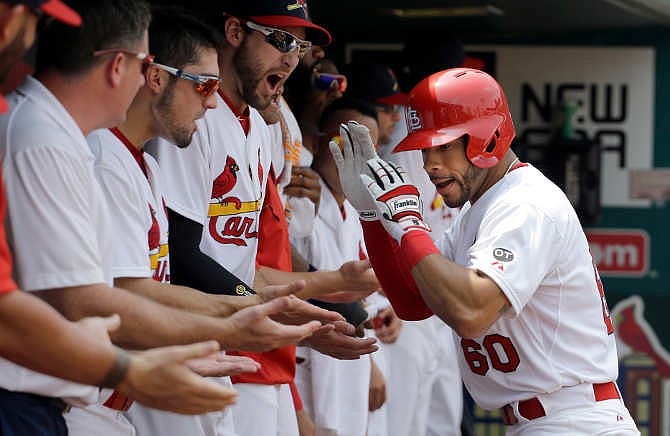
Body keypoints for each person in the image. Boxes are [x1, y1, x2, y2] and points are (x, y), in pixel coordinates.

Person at [0, 1, 325, 435]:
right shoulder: (46, 139)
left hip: (77, 398)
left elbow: (129, 290)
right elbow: (84, 300)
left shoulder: (88, 145)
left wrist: (236, 316)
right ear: (121, 66)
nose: (145, 79)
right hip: (39, 397)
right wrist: (225, 324)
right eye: (145, 63)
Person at [332, 68, 640, 435]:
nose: (430, 163)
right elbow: (412, 301)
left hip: (571, 419)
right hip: (544, 420)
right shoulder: (476, 212)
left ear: (487, 138)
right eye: (426, 149)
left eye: (444, 146)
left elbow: (470, 311)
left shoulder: (525, 203)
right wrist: (372, 217)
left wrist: (410, 226)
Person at [147, 1, 378, 435]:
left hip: (236, 349)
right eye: (281, 39)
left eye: (300, 45)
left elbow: (245, 267)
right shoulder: (195, 118)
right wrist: (294, 323)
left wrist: (334, 283)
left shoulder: (256, 126)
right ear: (235, 32)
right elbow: (182, 256)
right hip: (188, 352)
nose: (293, 57)